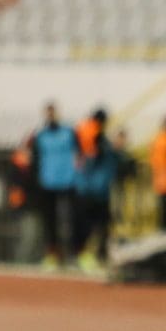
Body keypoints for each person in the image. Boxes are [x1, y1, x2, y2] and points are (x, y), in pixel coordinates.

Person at [31, 102, 78, 268]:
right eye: (48, 113)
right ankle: (53, 255)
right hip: (48, 183)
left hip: (68, 181)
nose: (51, 116)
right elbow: (35, 159)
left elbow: (80, 153)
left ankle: (72, 254)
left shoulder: (69, 132)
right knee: (50, 222)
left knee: (70, 220)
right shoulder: (40, 135)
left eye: (53, 112)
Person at [71, 109, 118, 272]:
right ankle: (88, 255)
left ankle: (90, 254)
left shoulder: (84, 132)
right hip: (93, 190)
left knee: (96, 225)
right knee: (92, 225)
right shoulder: (95, 137)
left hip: (91, 189)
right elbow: (91, 160)